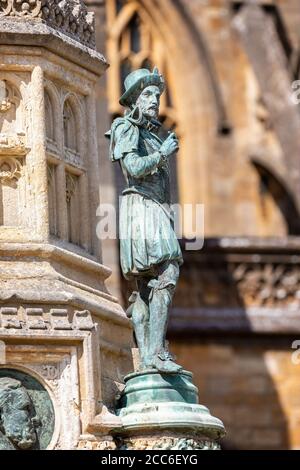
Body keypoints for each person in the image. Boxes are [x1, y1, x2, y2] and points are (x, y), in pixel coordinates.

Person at [107, 68, 183, 373]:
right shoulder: (125, 127)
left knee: (145, 287)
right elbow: (135, 168)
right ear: (135, 100)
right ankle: (155, 354)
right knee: (168, 270)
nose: (155, 100)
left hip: (152, 207)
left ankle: (148, 359)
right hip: (141, 206)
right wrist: (163, 154)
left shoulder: (149, 132)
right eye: (148, 94)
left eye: (157, 95)